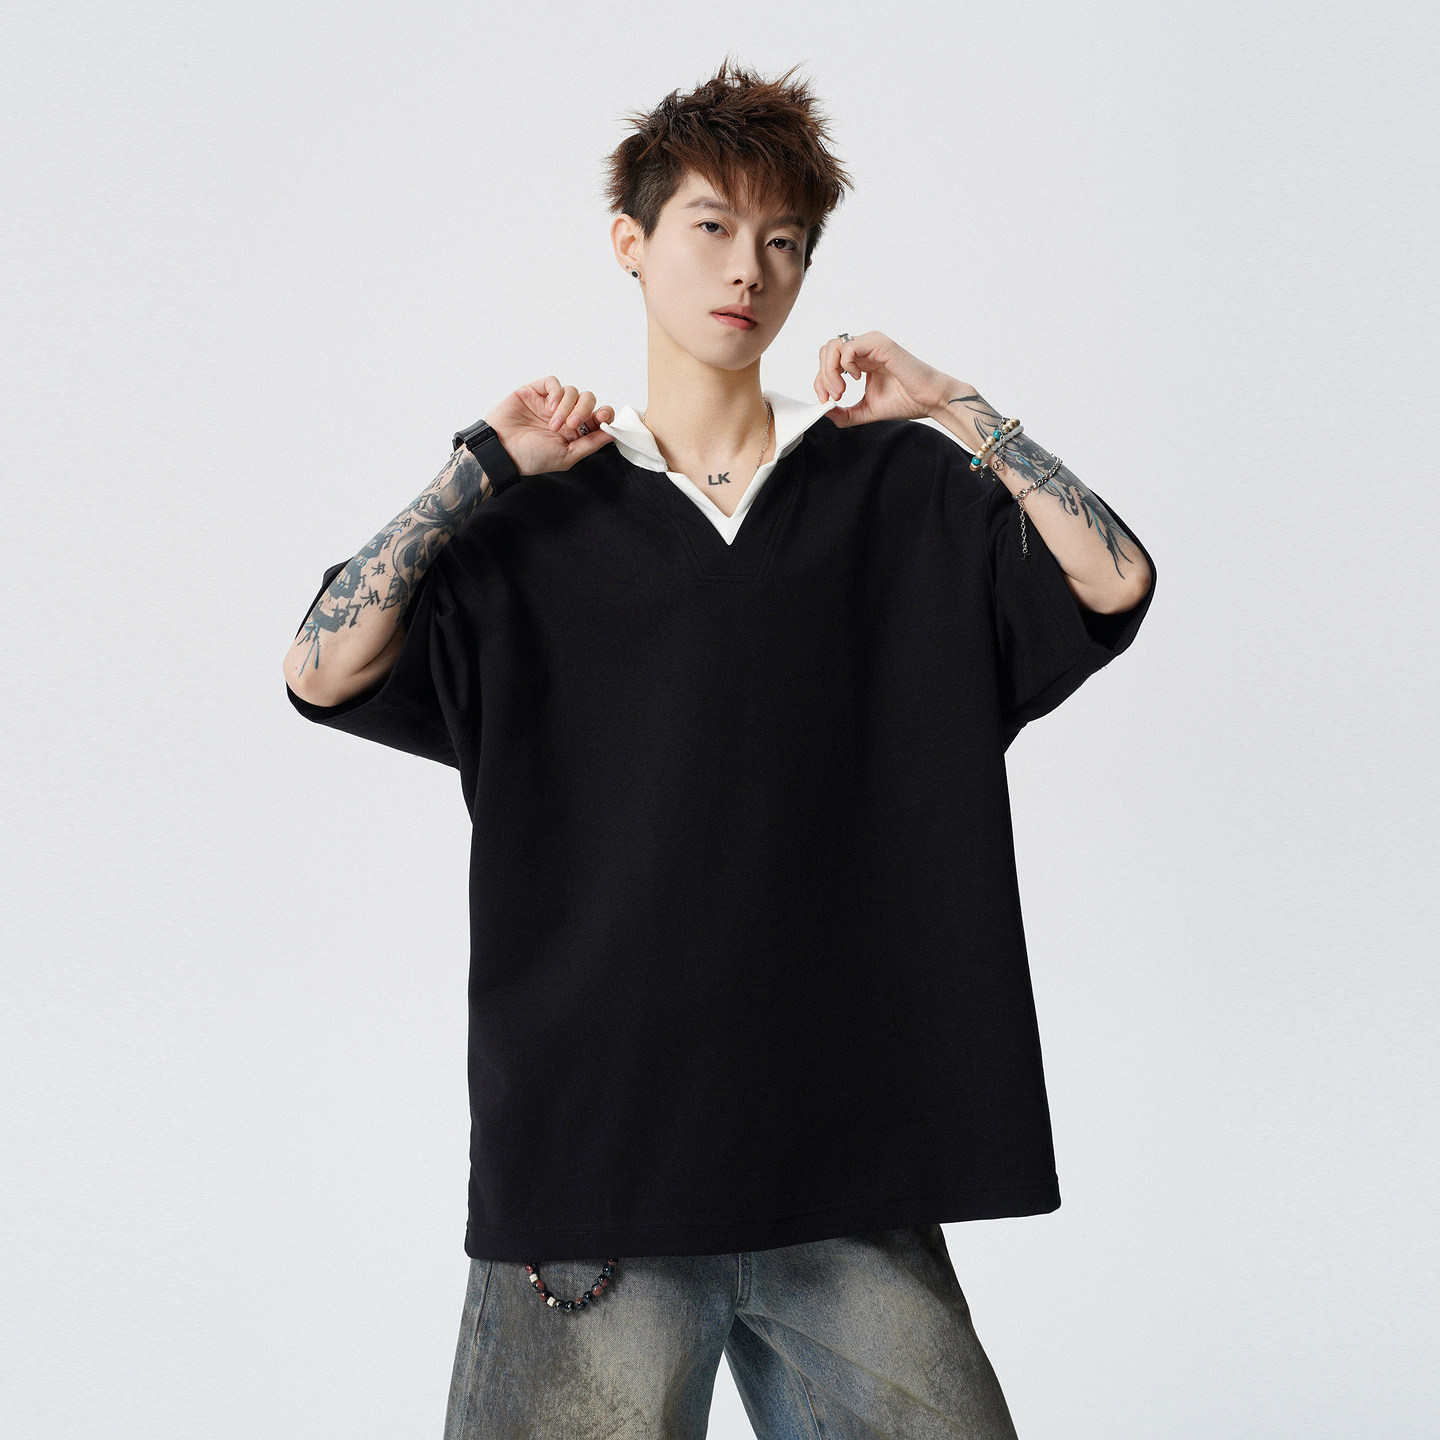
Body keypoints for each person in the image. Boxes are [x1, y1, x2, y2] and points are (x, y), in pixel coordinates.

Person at [282, 55, 1157, 1440]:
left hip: (848, 1169)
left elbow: (1113, 581)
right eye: (711, 225)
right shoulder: (534, 525)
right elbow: (321, 668)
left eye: (785, 241)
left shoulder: (898, 496)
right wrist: (479, 469)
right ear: (629, 242)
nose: (749, 267)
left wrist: (956, 406)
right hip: (596, 1177)